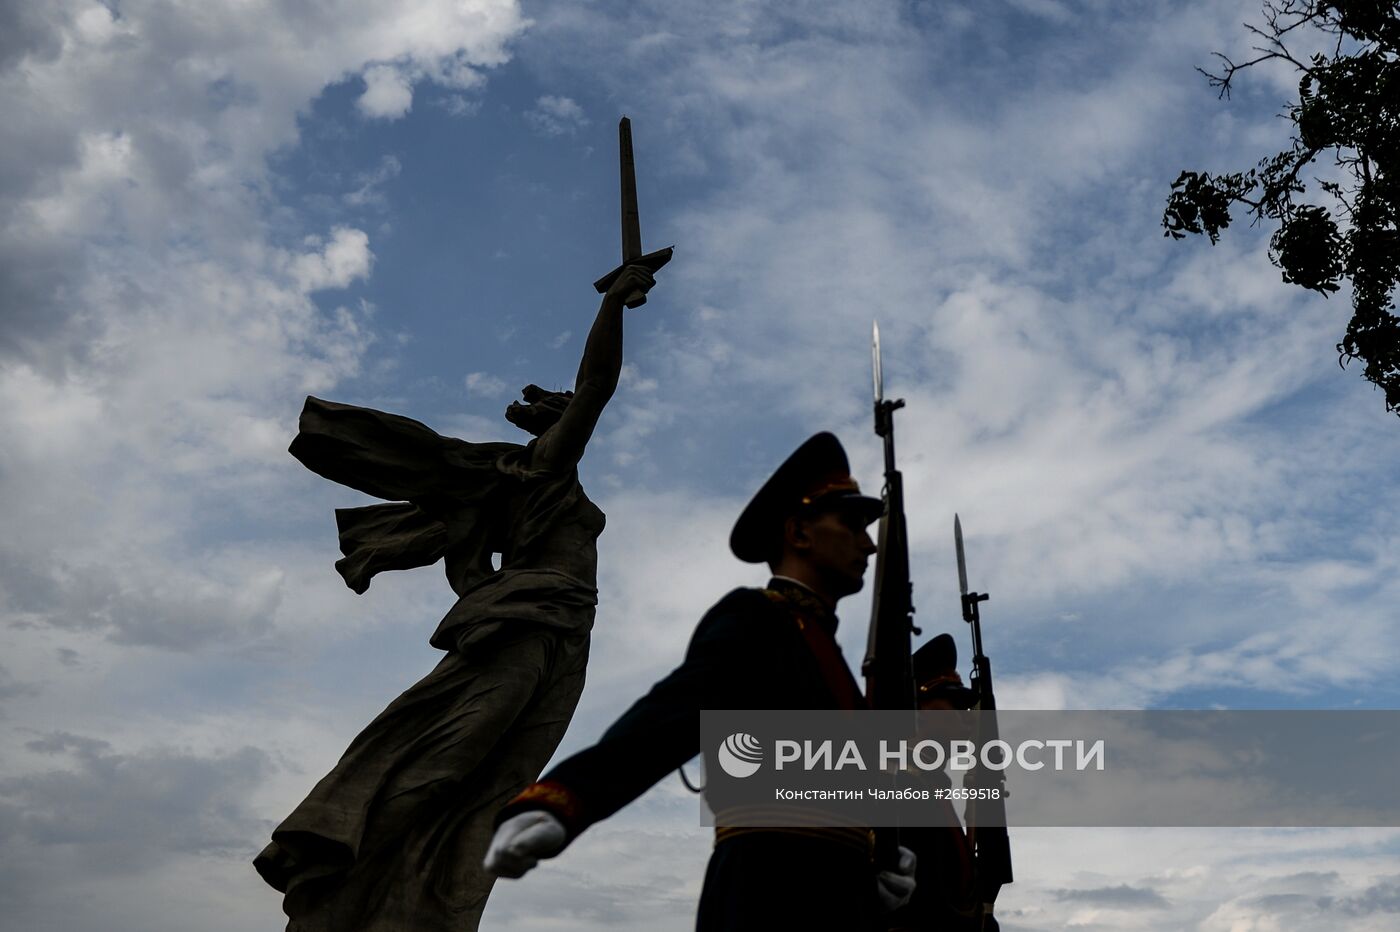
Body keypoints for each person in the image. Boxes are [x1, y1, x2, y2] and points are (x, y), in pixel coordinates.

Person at [252, 264, 658, 932]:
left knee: (496, 785)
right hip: (526, 625)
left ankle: (421, 908)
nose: (577, 420)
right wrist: (613, 304)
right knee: (449, 762)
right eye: (567, 416)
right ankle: (334, 873)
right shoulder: (544, 468)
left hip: (566, 632)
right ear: (553, 427)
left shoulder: (547, 482)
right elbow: (598, 384)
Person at [483, 432, 919, 930]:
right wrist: (566, 799)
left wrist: (874, 859)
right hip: (769, 894)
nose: (868, 544)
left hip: (841, 903)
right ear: (799, 533)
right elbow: (674, 711)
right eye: (852, 524)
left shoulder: (831, 657)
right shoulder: (759, 618)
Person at [885, 633, 997, 932]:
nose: (969, 719)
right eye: (956, 706)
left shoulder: (930, 789)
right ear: (919, 712)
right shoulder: (897, 790)